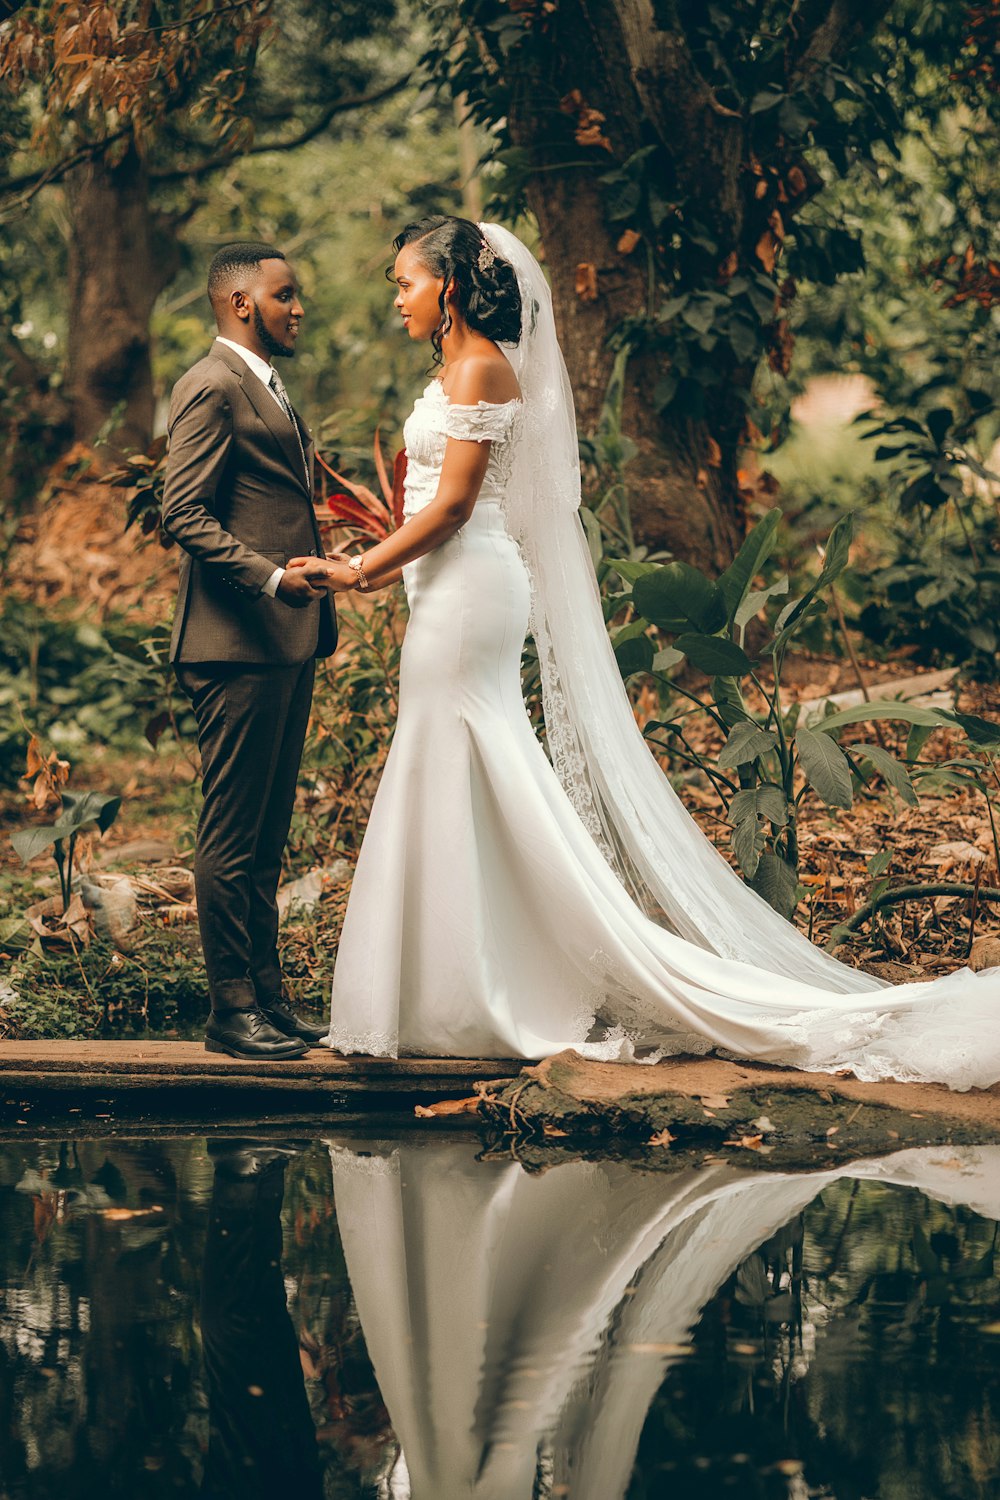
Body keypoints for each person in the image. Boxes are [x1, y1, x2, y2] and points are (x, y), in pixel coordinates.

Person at [291, 217, 999, 1089]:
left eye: (405, 281)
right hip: (442, 587)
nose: (395, 297)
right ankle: (462, 985)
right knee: (455, 764)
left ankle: (502, 982)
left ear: (450, 287)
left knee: (474, 755)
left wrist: (356, 567)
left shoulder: (480, 366)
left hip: (468, 583)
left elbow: (454, 507)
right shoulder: (453, 369)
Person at [162, 241, 337, 1060]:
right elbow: (183, 514)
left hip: (282, 643)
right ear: (240, 304)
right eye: (285, 295)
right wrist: (271, 579)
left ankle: (269, 999)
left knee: (266, 836)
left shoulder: (265, 386)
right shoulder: (212, 384)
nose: (298, 307)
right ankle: (230, 1010)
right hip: (235, 643)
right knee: (232, 836)